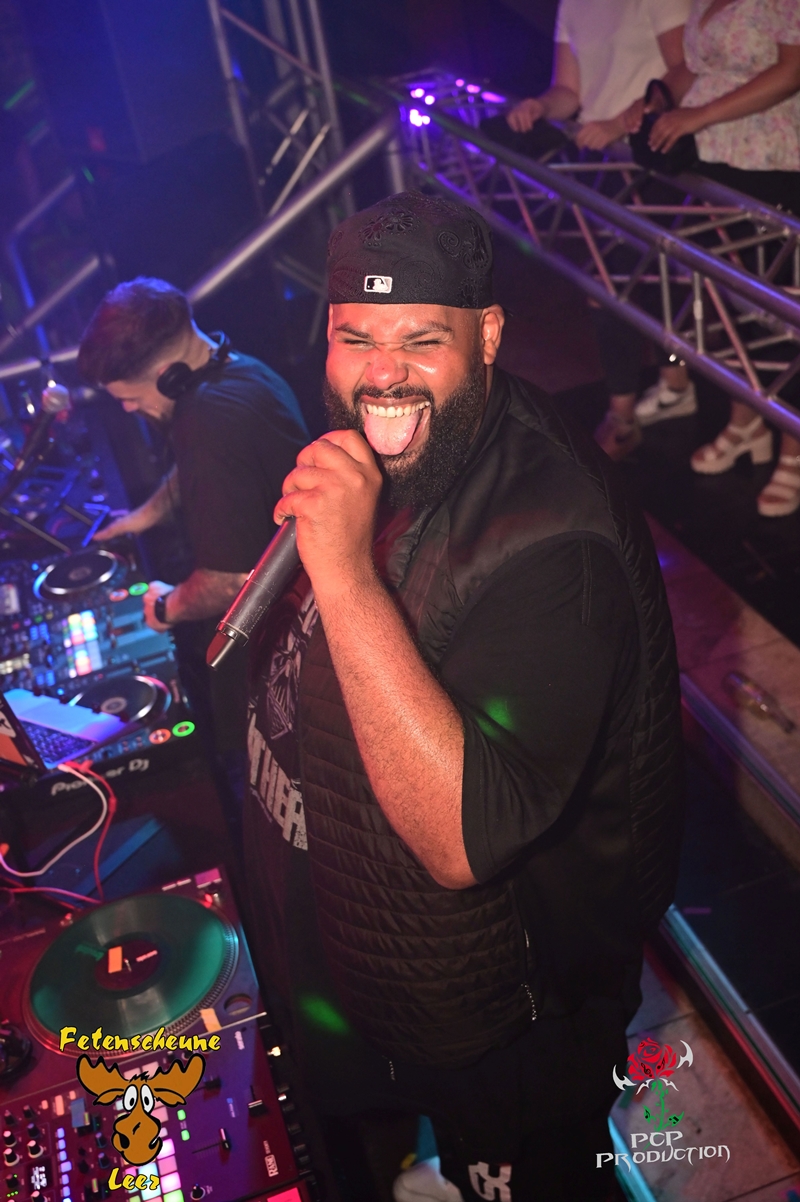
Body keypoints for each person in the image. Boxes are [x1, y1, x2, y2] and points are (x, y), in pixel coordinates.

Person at [243, 192, 685, 1202]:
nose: (381, 374)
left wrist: (342, 571)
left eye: (420, 340)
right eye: (355, 338)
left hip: (517, 1009)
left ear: (486, 335)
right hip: (419, 974)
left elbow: (458, 840)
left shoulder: (556, 541)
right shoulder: (399, 448)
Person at [76, 278, 308, 837]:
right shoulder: (233, 369)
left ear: (165, 375)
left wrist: (165, 607)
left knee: (257, 809)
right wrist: (145, 515)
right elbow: (195, 471)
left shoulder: (206, 423)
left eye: (130, 397)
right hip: (292, 611)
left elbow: (229, 581)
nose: (128, 408)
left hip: (273, 655)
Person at [505, 0, 696, 459]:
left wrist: (621, 120)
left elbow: (686, 69)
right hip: (601, 158)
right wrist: (540, 105)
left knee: (626, 282)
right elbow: (569, 91)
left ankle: (625, 412)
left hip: (651, 153)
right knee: (616, 282)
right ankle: (673, 383)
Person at [649, 0, 800, 516]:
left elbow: (792, 70)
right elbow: (696, 66)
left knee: (779, 313)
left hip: (771, 163)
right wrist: (660, 102)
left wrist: (698, 115)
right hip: (713, 161)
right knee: (728, 304)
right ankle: (747, 420)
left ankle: (793, 446)